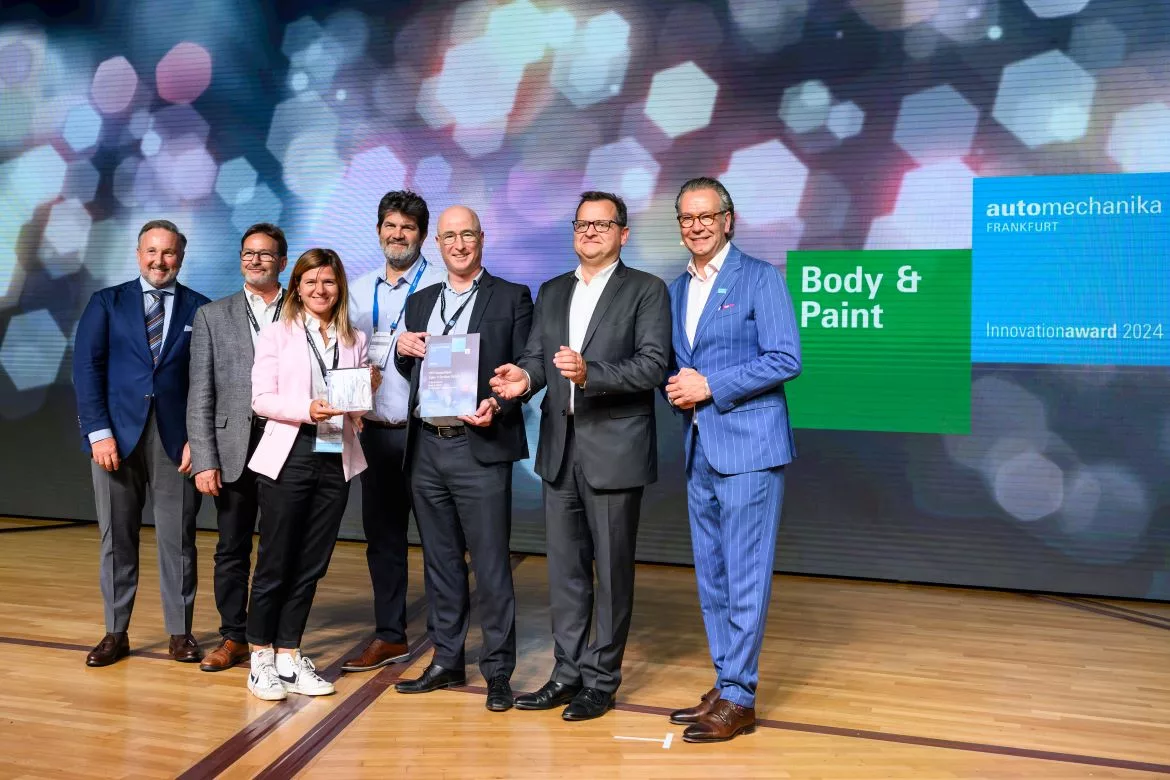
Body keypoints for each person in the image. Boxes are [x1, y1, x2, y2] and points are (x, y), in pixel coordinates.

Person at [492, 191, 671, 721]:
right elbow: (537, 359)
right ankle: (566, 674)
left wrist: (592, 373)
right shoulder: (553, 290)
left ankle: (601, 681)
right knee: (566, 573)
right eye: (582, 224)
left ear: (623, 234)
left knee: (611, 574)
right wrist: (523, 379)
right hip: (559, 449)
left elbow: (653, 365)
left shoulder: (646, 289)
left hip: (614, 450)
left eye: (602, 224)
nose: (590, 232)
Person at [663, 177, 802, 743]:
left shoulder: (760, 277)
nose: (696, 226)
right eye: (686, 217)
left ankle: (740, 697)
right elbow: (677, 365)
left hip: (749, 448)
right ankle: (726, 684)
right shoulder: (676, 288)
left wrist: (710, 386)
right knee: (713, 577)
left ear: (728, 220)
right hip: (699, 447)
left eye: (706, 216)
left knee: (745, 575)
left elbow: (786, 357)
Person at [392, 206, 533, 712]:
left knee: (491, 566)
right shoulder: (420, 300)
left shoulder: (512, 296)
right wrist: (403, 351)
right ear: (437, 243)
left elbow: (527, 367)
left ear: (481, 238)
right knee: (441, 562)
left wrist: (498, 403)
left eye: (467, 234)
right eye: (449, 236)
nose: (458, 243)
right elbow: (414, 371)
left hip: (480, 446)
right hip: (427, 445)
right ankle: (447, 660)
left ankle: (498, 671)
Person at [73, 219, 210, 667]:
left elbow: (207, 381)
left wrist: (198, 440)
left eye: (168, 252)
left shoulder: (201, 309)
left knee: (178, 539)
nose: (159, 260)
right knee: (117, 539)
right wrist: (98, 433)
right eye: (152, 251)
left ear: (180, 257)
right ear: (138, 255)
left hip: (177, 443)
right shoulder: (106, 303)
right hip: (115, 440)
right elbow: (86, 369)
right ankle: (115, 632)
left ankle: (180, 633)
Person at [244, 248, 374, 701]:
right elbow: (261, 399)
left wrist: (364, 397)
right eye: (311, 281)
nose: (320, 289)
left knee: (312, 563)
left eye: (329, 281)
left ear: (340, 288)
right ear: (297, 287)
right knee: (276, 560)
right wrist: (307, 408)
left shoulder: (354, 337)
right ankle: (260, 657)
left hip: (335, 453)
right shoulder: (277, 332)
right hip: (290, 452)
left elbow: (353, 405)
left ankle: (289, 653)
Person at [343, 191, 445, 673]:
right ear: (379, 230)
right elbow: (342, 353)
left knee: (440, 539)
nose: (397, 234)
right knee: (383, 540)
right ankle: (390, 635)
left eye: (407, 227)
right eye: (390, 225)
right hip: (375, 431)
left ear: (421, 235)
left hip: (427, 432)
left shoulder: (444, 284)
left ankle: (446, 641)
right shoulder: (357, 290)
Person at [187, 223, 289, 672]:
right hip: (232, 449)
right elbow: (200, 394)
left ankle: (273, 637)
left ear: (282, 261)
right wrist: (204, 459)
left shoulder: (302, 306)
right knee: (231, 548)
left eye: (265, 254)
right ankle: (234, 636)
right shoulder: (212, 316)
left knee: (279, 547)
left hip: (288, 442)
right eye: (249, 253)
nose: (256, 260)